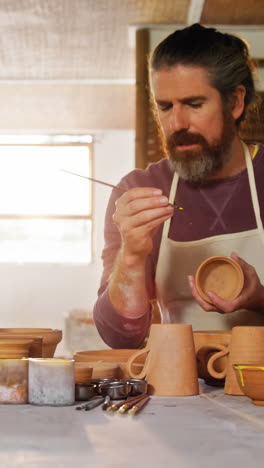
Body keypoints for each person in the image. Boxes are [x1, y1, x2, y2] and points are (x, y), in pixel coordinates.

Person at [93, 23, 264, 349]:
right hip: (179, 389)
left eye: (194, 104)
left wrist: (259, 298)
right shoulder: (138, 190)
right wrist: (131, 256)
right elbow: (119, 336)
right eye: (165, 107)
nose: (176, 124)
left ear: (236, 103)